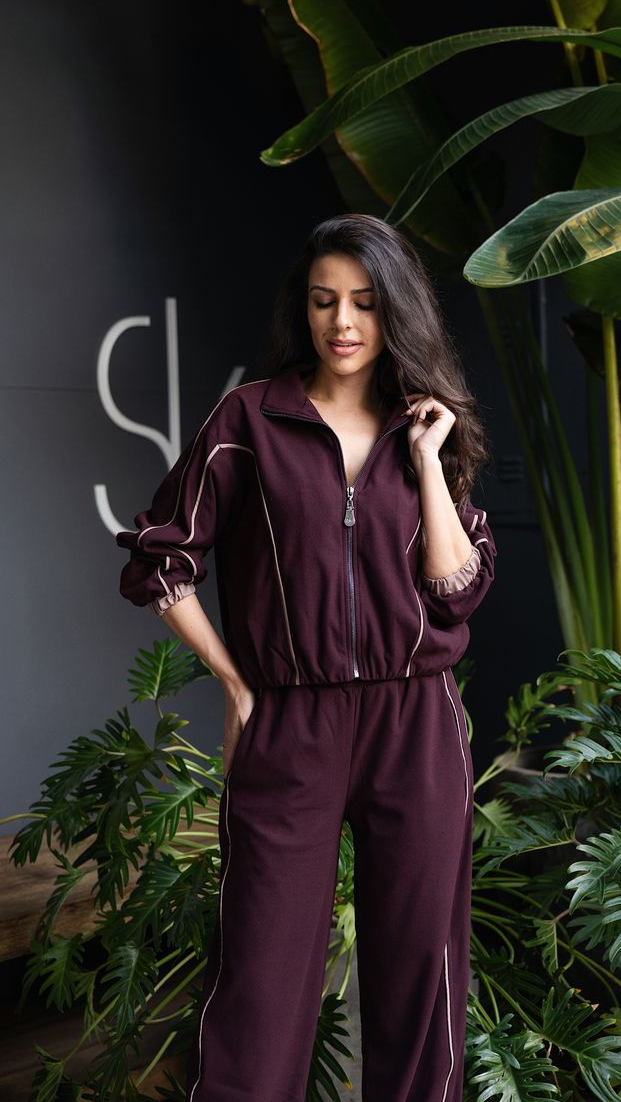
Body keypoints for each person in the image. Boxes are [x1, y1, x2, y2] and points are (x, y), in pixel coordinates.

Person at [116, 213, 497, 1102]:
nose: (343, 322)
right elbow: (159, 558)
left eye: (364, 302)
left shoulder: (426, 426)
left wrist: (427, 460)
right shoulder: (249, 419)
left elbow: (457, 592)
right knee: (260, 978)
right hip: (291, 720)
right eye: (325, 301)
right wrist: (233, 680)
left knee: (422, 973)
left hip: (416, 719)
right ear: (304, 308)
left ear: (395, 309)